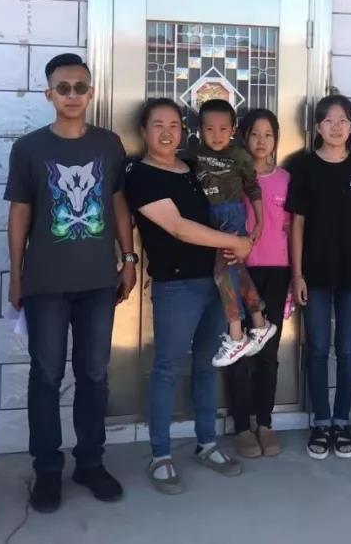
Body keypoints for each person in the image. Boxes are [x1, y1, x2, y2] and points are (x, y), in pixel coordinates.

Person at [5, 53, 138, 513]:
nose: (72, 95)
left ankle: (90, 462)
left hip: (98, 281)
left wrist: (128, 258)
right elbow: (19, 213)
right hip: (45, 282)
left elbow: (118, 203)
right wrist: (16, 274)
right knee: (46, 376)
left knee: (94, 375)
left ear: (91, 92)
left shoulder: (108, 144)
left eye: (80, 87)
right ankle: (47, 469)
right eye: (63, 88)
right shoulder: (29, 148)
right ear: (49, 94)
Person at [124, 98, 253, 493]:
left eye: (174, 125)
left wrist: (242, 238)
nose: (167, 132)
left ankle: (207, 443)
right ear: (144, 131)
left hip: (216, 281)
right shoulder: (141, 175)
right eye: (158, 125)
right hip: (177, 286)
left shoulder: (193, 168)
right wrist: (234, 242)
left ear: (183, 131)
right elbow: (179, 227)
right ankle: (160, 454)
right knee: (166, 368)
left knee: (206, 366)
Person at [288, 95, 351, 460]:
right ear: (317, 126)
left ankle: (342, 421)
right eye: (328, 120)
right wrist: (297, 274)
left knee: (346, 349)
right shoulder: (304, 166)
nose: (336, 126)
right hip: (314, 274)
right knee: (317, 349)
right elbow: (297, 224)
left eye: (343, 120)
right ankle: (321, 421)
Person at [185, 99, 276, 367]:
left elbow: (253, 189)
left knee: (222, 273)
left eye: (223, 129)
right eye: (209, 129)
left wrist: (259, 223)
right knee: (236, 271)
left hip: (231, 216)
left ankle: (237, 335)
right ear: (200, 130)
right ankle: (260, 323)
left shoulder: (239, 156)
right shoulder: (195, 151)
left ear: (233, 130)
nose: (217, 135)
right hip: (208, 219)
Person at [226, 108, 293, 458]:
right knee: (238, 349)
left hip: (277, 273)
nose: (261, 141)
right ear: (244, 138)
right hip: (239, 271)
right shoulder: (233, 178)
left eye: (268, 134)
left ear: (276, 139)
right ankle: (241, 425)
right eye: (254, 134)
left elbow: (292, 230)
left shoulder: (286, 180)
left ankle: (264, 422)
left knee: (268, 352)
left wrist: (295, 277)